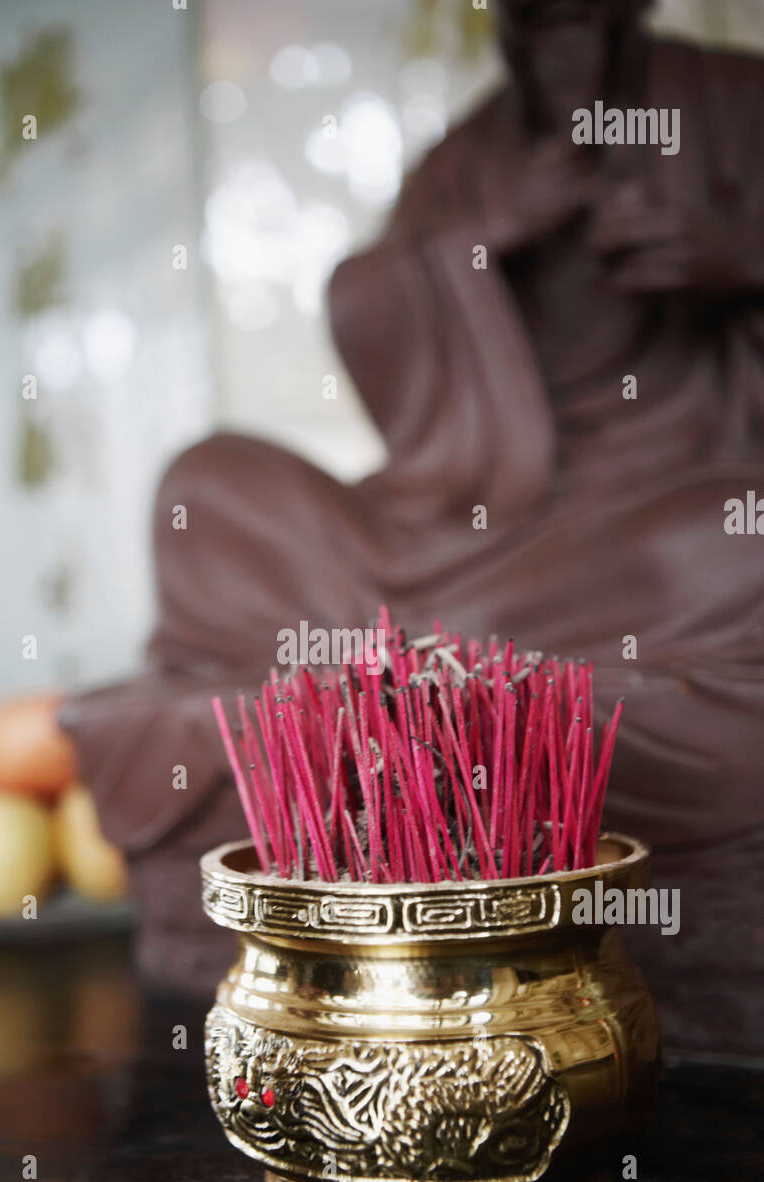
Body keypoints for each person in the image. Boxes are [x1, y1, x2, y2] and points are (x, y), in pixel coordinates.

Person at [62, 0, 764, 1054]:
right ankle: (444, 653)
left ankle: (426, 657)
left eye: (581, 19)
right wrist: (471, 249)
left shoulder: (732, 108)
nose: (556, 46)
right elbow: (378, 330)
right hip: (448, 521)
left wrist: (739, 259)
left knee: (741, 533)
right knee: (204, 486)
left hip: (648, 523)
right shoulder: (469, 161)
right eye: (531, 22)